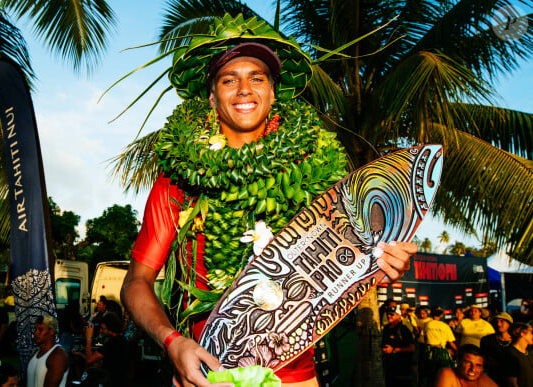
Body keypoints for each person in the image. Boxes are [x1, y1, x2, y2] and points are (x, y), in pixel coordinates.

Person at [121, 15, 417, 387]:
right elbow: (136, 281)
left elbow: (339, 273)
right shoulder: (178, 183)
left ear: (273, 93)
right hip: (207, 376)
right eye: (229, 79)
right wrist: (172, 341)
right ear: (212, 97)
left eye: (257, 78)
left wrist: (381, 262)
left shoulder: (318, 178)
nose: (244, 88)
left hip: (298, 380)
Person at [72, 313, 129, 387]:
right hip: (120, 380)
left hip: (111, 381)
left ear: (111, 328)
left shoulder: (112, 343)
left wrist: (88, 338)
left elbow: (89, 359)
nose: (101, 331)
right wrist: (80, 353)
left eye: (103, 328)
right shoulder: (122, 339)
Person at [26, 315, 68, 387]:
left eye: (40, 330)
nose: (36, 333)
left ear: (51, 331)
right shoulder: (34, 355)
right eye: (35, 329)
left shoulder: (58, 356)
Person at [420, 307, 457, 386]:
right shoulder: (445, 326)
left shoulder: (427, 324)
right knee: (442, 374)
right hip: (442, 352)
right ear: (441, 315)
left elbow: (422, 339)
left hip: (429, 352)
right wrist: (458, 351)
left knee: (429, 375)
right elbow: (451, 342)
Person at [381, 306, 415, 387]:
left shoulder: (403, 329)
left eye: (392, 314)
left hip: (402, 368)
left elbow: (412, 348)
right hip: (388, 368)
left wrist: (394, 350)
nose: (389, 316)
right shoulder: (386, 328)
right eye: (388, 314)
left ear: (399, 316)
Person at [480, 312, 513, 386]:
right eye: (496, 321)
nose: (498, 324)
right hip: (493, 378)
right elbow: (482, 359)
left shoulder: (516, 340)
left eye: (502, 321)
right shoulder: (487, 340)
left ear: (509, 324)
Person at [504, 322, 533, 387]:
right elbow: (512, 382)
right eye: (530, 333)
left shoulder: (528, 353)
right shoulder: (511, 354)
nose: (532, 336)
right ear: (522, 334)